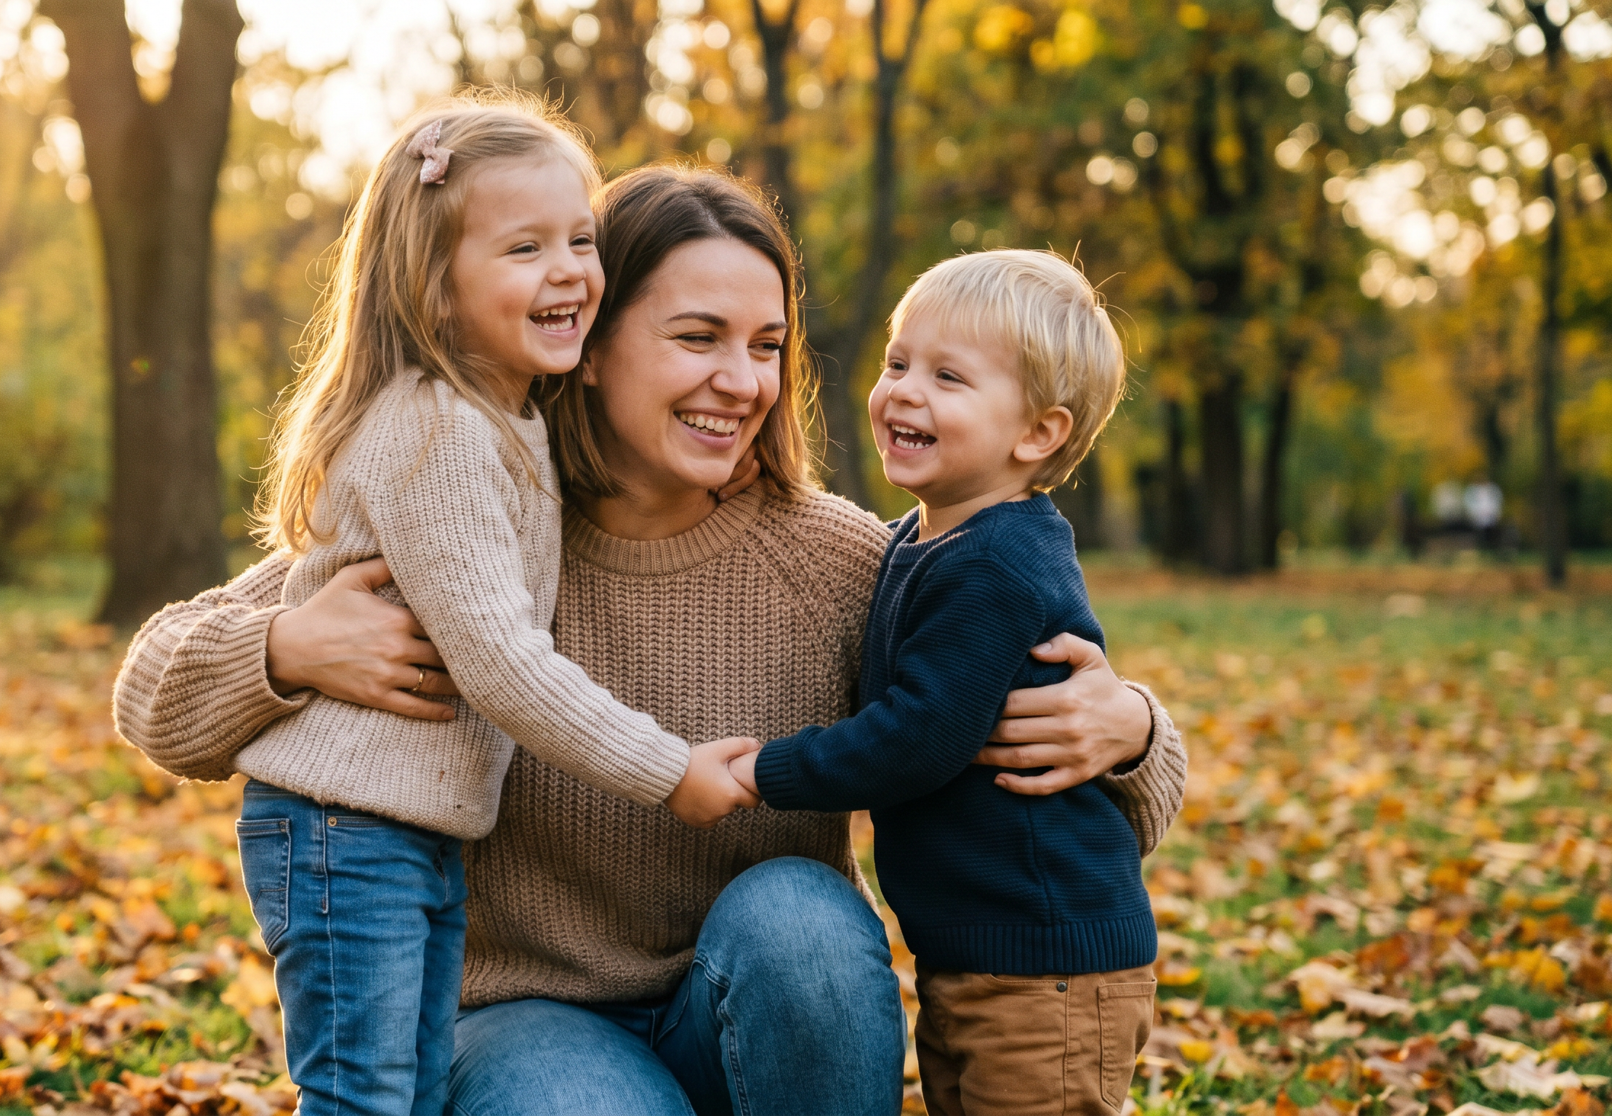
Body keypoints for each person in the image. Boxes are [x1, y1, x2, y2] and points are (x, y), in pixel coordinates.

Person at [116, 165, 1188, 1116]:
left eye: (765, 346)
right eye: (695, 338)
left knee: (805, 928)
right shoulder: (465, 526)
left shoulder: (844, 562)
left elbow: (1076, 784)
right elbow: (150, 691)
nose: (741, 382)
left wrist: (1132, 730)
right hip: (523, 1021)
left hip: (752, 1005)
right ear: (587, 347)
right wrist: (285, 650)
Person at [114, 97, 761, 1116]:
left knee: (404, 1097)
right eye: (522, 247)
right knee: (366, 1098)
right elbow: (502, 662)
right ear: (435, 286)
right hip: (344, 829)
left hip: (409, 831)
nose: (567, 271)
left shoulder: (504, 428)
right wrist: (667, 769)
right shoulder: (438, 437)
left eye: (580, 240)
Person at [731, 250, 1154, 1115]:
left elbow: (916, 738)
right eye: (897, 363)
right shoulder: (921, 543)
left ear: (1038, 433)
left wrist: (761, 771)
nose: (904, 392)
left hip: (1048, 960)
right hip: (976, 949)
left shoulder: (997, 564)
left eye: (948, 377)